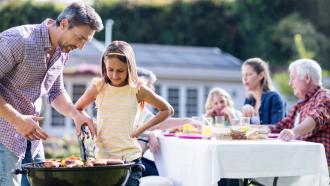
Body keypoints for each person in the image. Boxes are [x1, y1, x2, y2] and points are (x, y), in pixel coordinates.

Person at [0, 3, 103, 186]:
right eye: (79, 38)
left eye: (84, 42)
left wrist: (76, 114)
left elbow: (55, 91)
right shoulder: (17, 40)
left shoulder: (62, 52)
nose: (80, 46)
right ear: (63, 23)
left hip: (31, 141)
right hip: (3, 137)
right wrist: (16, 120)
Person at [74, 41, 174, 186]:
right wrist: (90, 123)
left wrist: (140, 129)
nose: (114, 75)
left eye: (120, 70)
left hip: (130, 160)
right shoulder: (98, 87)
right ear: (104, 67)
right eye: (110, 69)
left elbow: (167, 110)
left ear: (129, 68)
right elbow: (77, 109)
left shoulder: (138, 89)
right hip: (102, 160)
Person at [136, 67, 202, 177]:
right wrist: (187, 121)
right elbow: (159, 124)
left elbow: (151, 127)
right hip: (131, 164)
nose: (153, 89)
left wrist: (152, 134)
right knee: (168, 175)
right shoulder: (135, 108)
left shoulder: (141, 109)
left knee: (167, 170)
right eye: (151, 85)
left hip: (136, 160)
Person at [269, 59, 330, 167]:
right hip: (299, 162)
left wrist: (294, 132)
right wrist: (255, 130)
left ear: (306, 78)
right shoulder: (300, 104)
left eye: (293, 78)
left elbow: (316, 116)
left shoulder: (325, 95)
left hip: (317, 167)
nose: (290, 83)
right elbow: (280, 127)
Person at [241, 57, 286, 125]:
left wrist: (254, 130)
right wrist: (243, 117)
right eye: (243, 75)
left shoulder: (274, 98)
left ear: (261, 75)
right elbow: (244, 129)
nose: (244, 78)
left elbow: (277, 127)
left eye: (249, 74)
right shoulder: (248, 100)